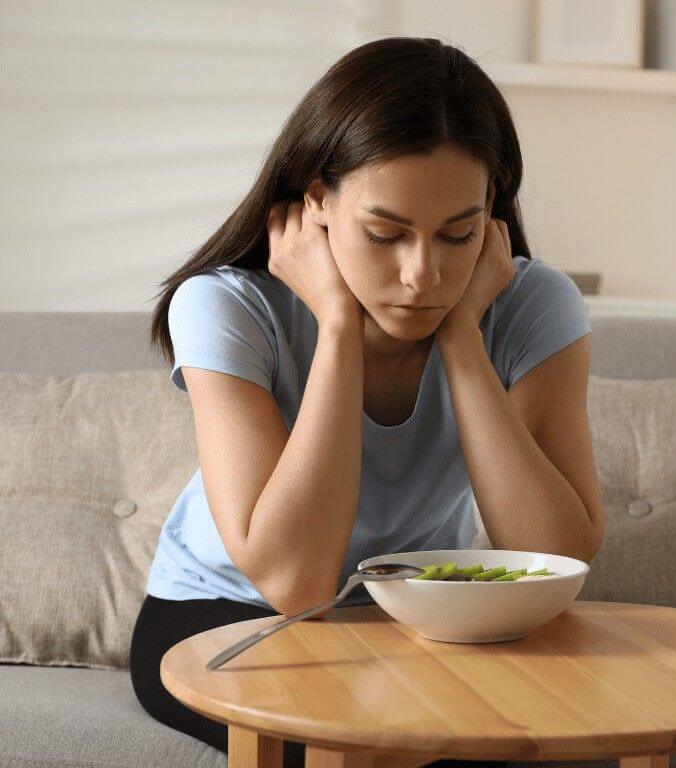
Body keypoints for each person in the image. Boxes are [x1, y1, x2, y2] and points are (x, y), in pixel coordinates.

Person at [129, 35, 606, 768]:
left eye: (459, 235)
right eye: (385, 234)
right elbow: (295, 581)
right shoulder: (226, 307)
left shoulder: (530, 304)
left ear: (492, 218)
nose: (423, 274)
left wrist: (462, 343)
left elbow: (556, 559)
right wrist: (338, 324)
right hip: (223, 615)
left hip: (411, 617)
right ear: (317, 200)